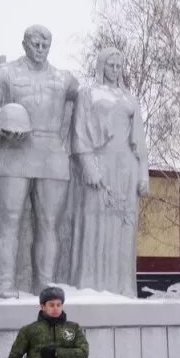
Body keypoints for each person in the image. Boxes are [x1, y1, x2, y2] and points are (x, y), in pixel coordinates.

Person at [0, 24, 80, 297]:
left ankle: (45, 284)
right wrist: (2, 125)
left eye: (45, 42)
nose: (40, 47)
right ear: (24, 43)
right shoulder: (3, 74)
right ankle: (5, 285)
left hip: (52, 156)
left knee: (50, 224)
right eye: (35, 42)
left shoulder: (65, 79)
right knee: (8, 222)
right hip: (15, 152)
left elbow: (86, 105)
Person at [69, 47, 150, 297]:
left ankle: (123, 287)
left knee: (124, 226)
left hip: (126, 166)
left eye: (119, 66)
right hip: (99, 162)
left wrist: (143, 173)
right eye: (110, 65)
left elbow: (139, 140)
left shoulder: (129, 98)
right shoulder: (88, 94)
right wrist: (88, 166)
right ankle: (90, 286)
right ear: (101, 66)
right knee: (95, 221)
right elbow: (78, 133)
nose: (115, 70)